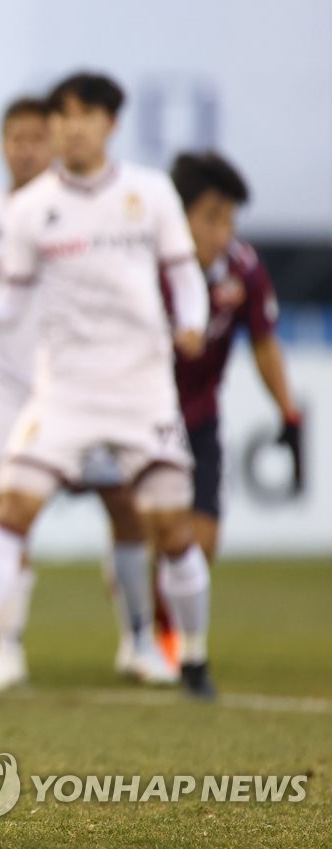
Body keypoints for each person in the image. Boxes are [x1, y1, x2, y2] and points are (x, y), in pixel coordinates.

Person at [0, 72, 217, 701]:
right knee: (12, 511)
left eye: (83, 116)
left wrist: (191, 324)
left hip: (140, 389)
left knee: (169, 527)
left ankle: (189, 656)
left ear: (111, 123)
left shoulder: (149, 193)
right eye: (62, 117)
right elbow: (15, 305)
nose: (70, 128)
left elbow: (185, 274)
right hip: (63, 394)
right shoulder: (30, 210)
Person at [165, 151, 302, 564]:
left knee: (201, 547)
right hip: (145, 418)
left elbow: (264, 342)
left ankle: (166, 628)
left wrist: (287, 411)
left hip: (201, 419)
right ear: (178, 214)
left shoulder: (244, 271)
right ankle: (143, 624)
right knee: (159, 536)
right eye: (210, 218)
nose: (222, 234)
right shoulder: (148, 267)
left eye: (229, 220)